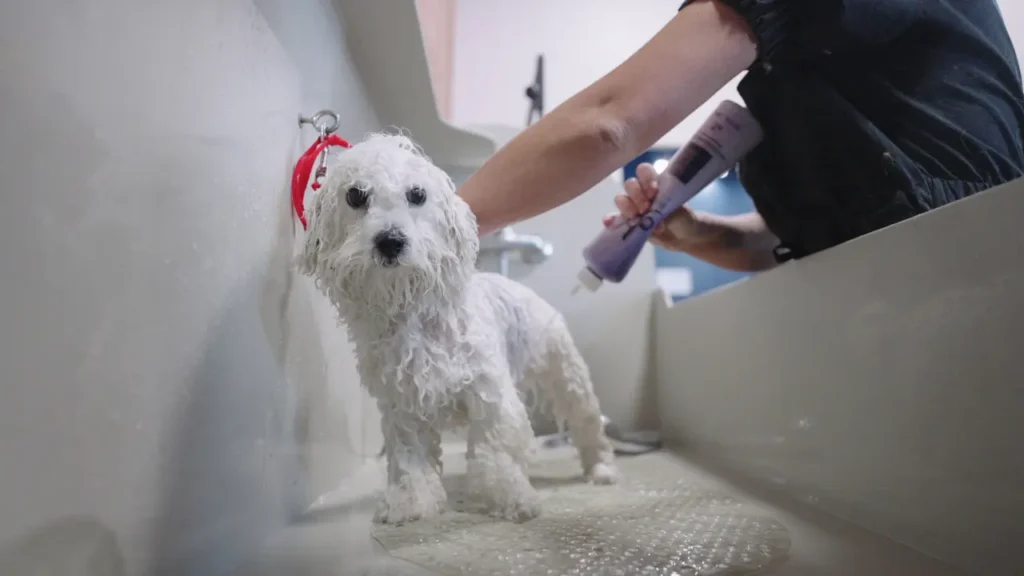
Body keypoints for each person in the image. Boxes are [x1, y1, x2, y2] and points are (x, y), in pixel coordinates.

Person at [456, 0, 1024, 271]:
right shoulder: (819, 54)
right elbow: (821, 234)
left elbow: (611, 121)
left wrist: (438, 224)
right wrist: (704, 233)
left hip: (971, 289)